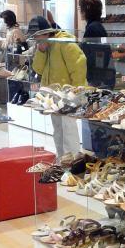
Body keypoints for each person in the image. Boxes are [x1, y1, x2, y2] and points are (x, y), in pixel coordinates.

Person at [30, 16, 87, 157]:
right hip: (53, 96)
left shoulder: (65, 43)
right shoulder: (44, 46)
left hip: (68, 95)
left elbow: (79, 66)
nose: (36, 39)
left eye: (37, 36)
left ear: (46, 33)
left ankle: (73, 162)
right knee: (58, 130)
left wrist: (75, 92)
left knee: (69, 130)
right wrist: (41, 51)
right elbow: (38, 69)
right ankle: (61, 160)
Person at [78, 0, 113, 88]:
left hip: (97, 79)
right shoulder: (95, 26)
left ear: (86, 10)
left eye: (81, 8)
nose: (80, 11)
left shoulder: (93, 28)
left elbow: (98, 58)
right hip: (99, 77)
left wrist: (94, 81)